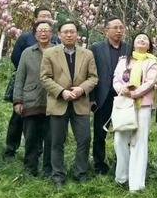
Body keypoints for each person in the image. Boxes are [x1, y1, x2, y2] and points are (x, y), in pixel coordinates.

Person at [40, 20, 98, 189]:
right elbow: (44, 77)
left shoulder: (87, 54)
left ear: (77, 34)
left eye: (72, 31)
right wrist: (62, 92)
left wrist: (81, 89)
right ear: (59, 34)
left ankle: (81, 173)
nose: (69, 34)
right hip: (59, 102)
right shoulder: (50, 53)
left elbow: (93, 77)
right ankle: (58, 175)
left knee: (84, 139)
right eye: (65, 32)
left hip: (80, 103)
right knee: (57, 141)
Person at [4, 7, 56, 159]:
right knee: (19, 122)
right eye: (42, 16)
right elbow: (16, 60)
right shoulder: (26, 39)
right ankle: (11, 150)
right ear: (35, 20)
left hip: (49, 94)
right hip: (29, 90)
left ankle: (43, 158)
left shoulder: (57, 44)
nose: (45, 19)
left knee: (46, 128)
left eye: (48, 16)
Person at [111, 33, 157, 192]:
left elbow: (150, 81)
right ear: (133, 43)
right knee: (119, 139)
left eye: (145, 39)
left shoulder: (152, 61)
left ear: (149, 44)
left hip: (142, 105)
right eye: (139, 38)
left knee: (139, 142)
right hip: (124, 104)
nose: (141, 40)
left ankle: (137, 183)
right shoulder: (123, 61)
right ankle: (122, 177)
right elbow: (116, 79)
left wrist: (134, 93)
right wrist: (121, 89)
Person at [13, 20, 55, 177]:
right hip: (31, 100)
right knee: (31, 138)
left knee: (51, 139)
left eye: (46, 30)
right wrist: (18, 100)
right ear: (35, 34)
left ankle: (48, 170)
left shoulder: (58, 51)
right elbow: (19, 78)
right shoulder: (27, 53)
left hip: (53, 101)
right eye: (40, 31)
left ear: (52, 33)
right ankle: (30, 169)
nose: (43, 33)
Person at [90, 17, 132, 175]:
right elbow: (91, 73)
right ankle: (99, 164)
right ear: (106, 30)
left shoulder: (129, 48)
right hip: (103, 96)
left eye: (121, 27)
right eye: (115, 28)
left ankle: (122, 164)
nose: (119, 31)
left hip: (124, 96)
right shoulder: (96, 48)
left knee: (125, 131)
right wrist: (92, 98)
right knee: (100, 133)